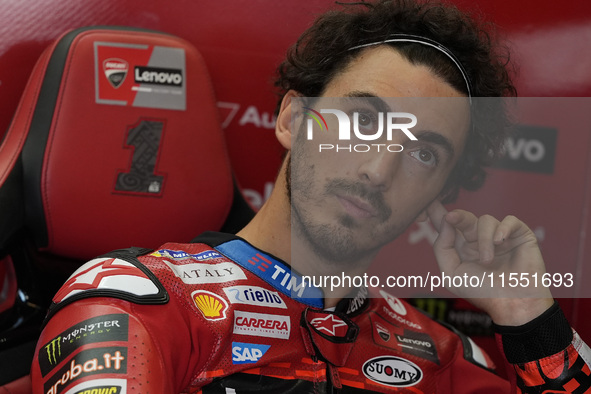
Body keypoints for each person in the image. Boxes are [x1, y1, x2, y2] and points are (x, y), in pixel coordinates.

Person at [31, 0, 591, 393]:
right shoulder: (139, 303)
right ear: (293, 118)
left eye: (423, 153)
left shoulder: (443, 358)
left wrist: (531, 322)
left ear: (440, 192)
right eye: (362, 121)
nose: (378, 168)